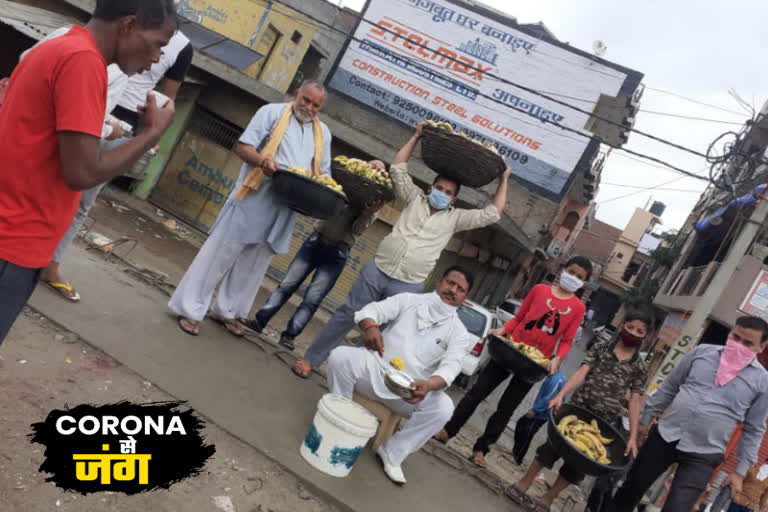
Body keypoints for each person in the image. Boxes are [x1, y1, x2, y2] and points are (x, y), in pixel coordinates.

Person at [0, 0, 178, 345]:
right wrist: (151, 134)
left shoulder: (60, 44)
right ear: (128, 25)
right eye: (158, 44)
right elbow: (82, 172)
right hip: (13, 243)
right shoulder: (83, 62)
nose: (157, 59)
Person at [296, 122, 510, 374]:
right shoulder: (414, 197)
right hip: (378, 270)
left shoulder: (456, 218)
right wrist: (416, 136)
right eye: (439, 188)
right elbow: (398, 169)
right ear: (431, 188)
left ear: (453, 199)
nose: (442, 193)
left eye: (448, 192)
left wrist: (504, 178)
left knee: (383, 333)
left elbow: (493, 213)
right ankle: (311, 359)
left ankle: (347, 371)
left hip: (408, 285)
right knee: (348, 314)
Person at [27, 29, 192, 302]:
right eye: (155, 47)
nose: (153, 58)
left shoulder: (183, 48)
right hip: (91, 104)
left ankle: (50, 264)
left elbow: (167, 98)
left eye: (161, 49)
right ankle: (27, 250)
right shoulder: (120, 29)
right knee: (48, 177)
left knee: (83, 200)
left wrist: (150, 132)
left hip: (123, 124)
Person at [169, 80, 332, 337]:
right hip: (254, 197)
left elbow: (323, 174)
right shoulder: (271, 113)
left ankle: (227, 311)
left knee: (254, 265)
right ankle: (189, 309)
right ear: (295, 94)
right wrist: (263, 162)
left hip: (286, 209)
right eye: (305, 99)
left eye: (315, 104)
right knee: (219, 256)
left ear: (321, 108)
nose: (309, 107)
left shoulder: (323, 133)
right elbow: (243, 147)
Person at [434, 256, 592, 467]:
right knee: (477, 392)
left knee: (506, 409)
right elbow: (519, 319)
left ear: (585, 283)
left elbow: (566, 341)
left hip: (534, 364)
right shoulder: (539, 290)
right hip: (509, 350)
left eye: (579, 277)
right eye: (571, 272)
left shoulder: (578, 308)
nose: (573, 278)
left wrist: (557, 359)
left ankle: (481, 449)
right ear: (563, 270)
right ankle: (448, 430)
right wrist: (502, 330)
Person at [326, 265, 476, 485]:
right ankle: (339, 420)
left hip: (409, 394)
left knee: (444, 407)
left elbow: (450, 368)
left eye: (460, 289)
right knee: (340, 357)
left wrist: (429, 384)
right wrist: (371, 327)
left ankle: (392, 453)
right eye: (450, 283)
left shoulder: (459, 333)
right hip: (376, 371)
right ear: (438, 282)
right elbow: (370, 311)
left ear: (464, 297)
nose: (453, 290)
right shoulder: (409, 300)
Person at [608, 315, 768, 512]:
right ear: (730, 332)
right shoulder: (702, 353)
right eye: (735, 337)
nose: (738, 345)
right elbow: (670, 387)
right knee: (630, 489)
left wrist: (740, 472)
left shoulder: (762, 382)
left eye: (748, 343)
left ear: (761, 347)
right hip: (665, 435)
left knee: (677, 508)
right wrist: (645, 420)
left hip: (704, 454)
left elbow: (754, 429)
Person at [511, 309, 652, 511]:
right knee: (550, 448)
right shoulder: (602, 347)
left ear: (644, 337)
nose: (633, 333)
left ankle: (548, 498)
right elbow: (582, 373)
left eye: (639, 331)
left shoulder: (640, 367)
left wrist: (632, 436)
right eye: (630, 327)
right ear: (622, 326)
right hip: (576, 410)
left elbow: (635, 400)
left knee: (579, 466)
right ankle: (524, 483)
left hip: (603, 423)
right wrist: (561, 395)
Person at [244, 194, 385, 353]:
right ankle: (259, 321)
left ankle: (289, 336)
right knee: (286, 285)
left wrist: (366, 214)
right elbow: (321, 208)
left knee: (312, 299)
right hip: (315, 241)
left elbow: (357, 230)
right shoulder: (342, 186)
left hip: (338, 253)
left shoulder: (375, 203)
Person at [511, 371, 567, 465]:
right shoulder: (555, 377)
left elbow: (549, 399)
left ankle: (517, 457)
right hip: (543, 411)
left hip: (542, 413)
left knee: (526, 432)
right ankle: (516, 453)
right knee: (523, 427)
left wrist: (535, 410)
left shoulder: (556, 380)